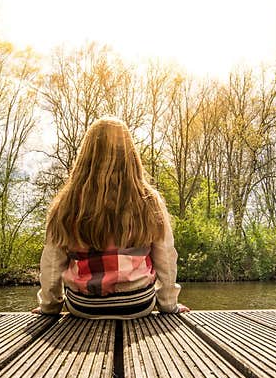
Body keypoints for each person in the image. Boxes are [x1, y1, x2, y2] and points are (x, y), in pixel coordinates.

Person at [33, 117, 189, 319]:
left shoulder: (67, 202)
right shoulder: (148, 200)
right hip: (137, 303)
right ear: (130, 155)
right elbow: (165, 258)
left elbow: (52, 262)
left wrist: (50, 306)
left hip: (83, 306)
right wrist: (169, 305)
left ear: (86, 155)